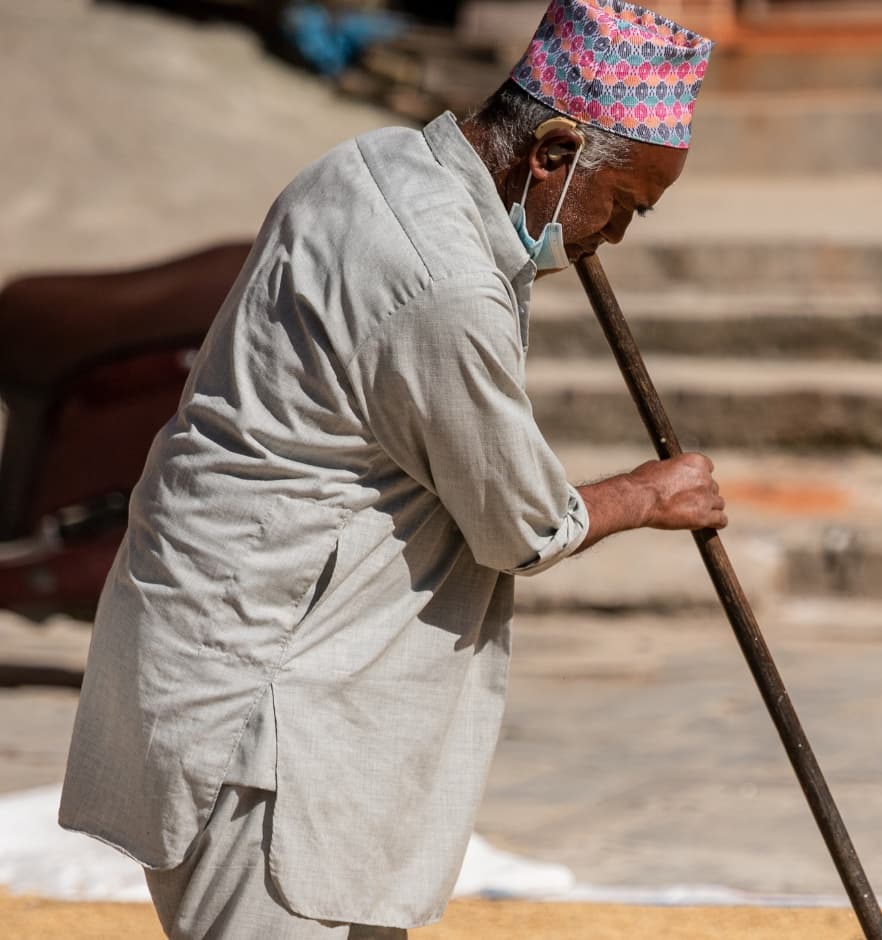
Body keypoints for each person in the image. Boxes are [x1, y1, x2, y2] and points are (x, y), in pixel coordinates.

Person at [58, 1, 719, 937]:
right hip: (269, 717)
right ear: (554, 155)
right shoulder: (440, 278)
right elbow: (520, 524)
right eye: (626, 207)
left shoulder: (367, 166)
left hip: (247, 663)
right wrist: (657, 493)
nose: (613, 239)